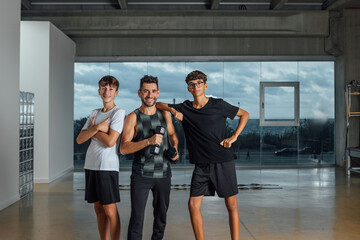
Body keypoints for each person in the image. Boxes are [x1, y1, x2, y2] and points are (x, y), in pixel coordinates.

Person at [156, 70, 249, 240]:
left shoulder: (218, 105)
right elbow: (158, 104)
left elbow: (245, 114)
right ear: (189, 89)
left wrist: (234, 136)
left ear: (205, 86)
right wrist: (173, 111)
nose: (196, 86)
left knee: (231, 205)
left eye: (199, 83)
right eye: (192, 84)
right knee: (193, 205)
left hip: (223, 161)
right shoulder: (185, 107)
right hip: (201, 164)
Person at [120, 75, 179, 240]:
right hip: (141, 174)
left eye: (153, 91)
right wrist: (148, 141)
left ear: (158, 93)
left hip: (164, 173)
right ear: (139, 93)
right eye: (145, 91)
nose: (149, 95)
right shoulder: (133, 117)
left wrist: (175, 149)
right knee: (137, 219)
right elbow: (124, 148)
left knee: (161, 218)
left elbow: (173, 135)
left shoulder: (164, 115)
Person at [76, 75, 125, 240]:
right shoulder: (94, 113)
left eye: (111, 89)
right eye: (104, 88)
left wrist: (93, 131)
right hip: (91, 165)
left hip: (107, 167)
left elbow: (111, 141)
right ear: (99, 91)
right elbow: (80, 138)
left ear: (116, 92)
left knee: (110, 209)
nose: (107, 91)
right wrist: (98, 127)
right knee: (98, 207)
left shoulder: (118, 113)